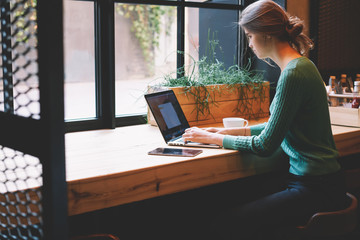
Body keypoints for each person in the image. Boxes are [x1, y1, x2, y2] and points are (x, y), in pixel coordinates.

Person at [182, 0, 348, 239]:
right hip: (324, 181)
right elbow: (276, 127)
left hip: (314, 187)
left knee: (224, 222)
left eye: (250, 36)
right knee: (230, 199)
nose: (249, 44)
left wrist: (212, 139)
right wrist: (223, 133)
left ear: (267, 34)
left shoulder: (293, 74)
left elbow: (265, 145)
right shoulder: (303, 65)